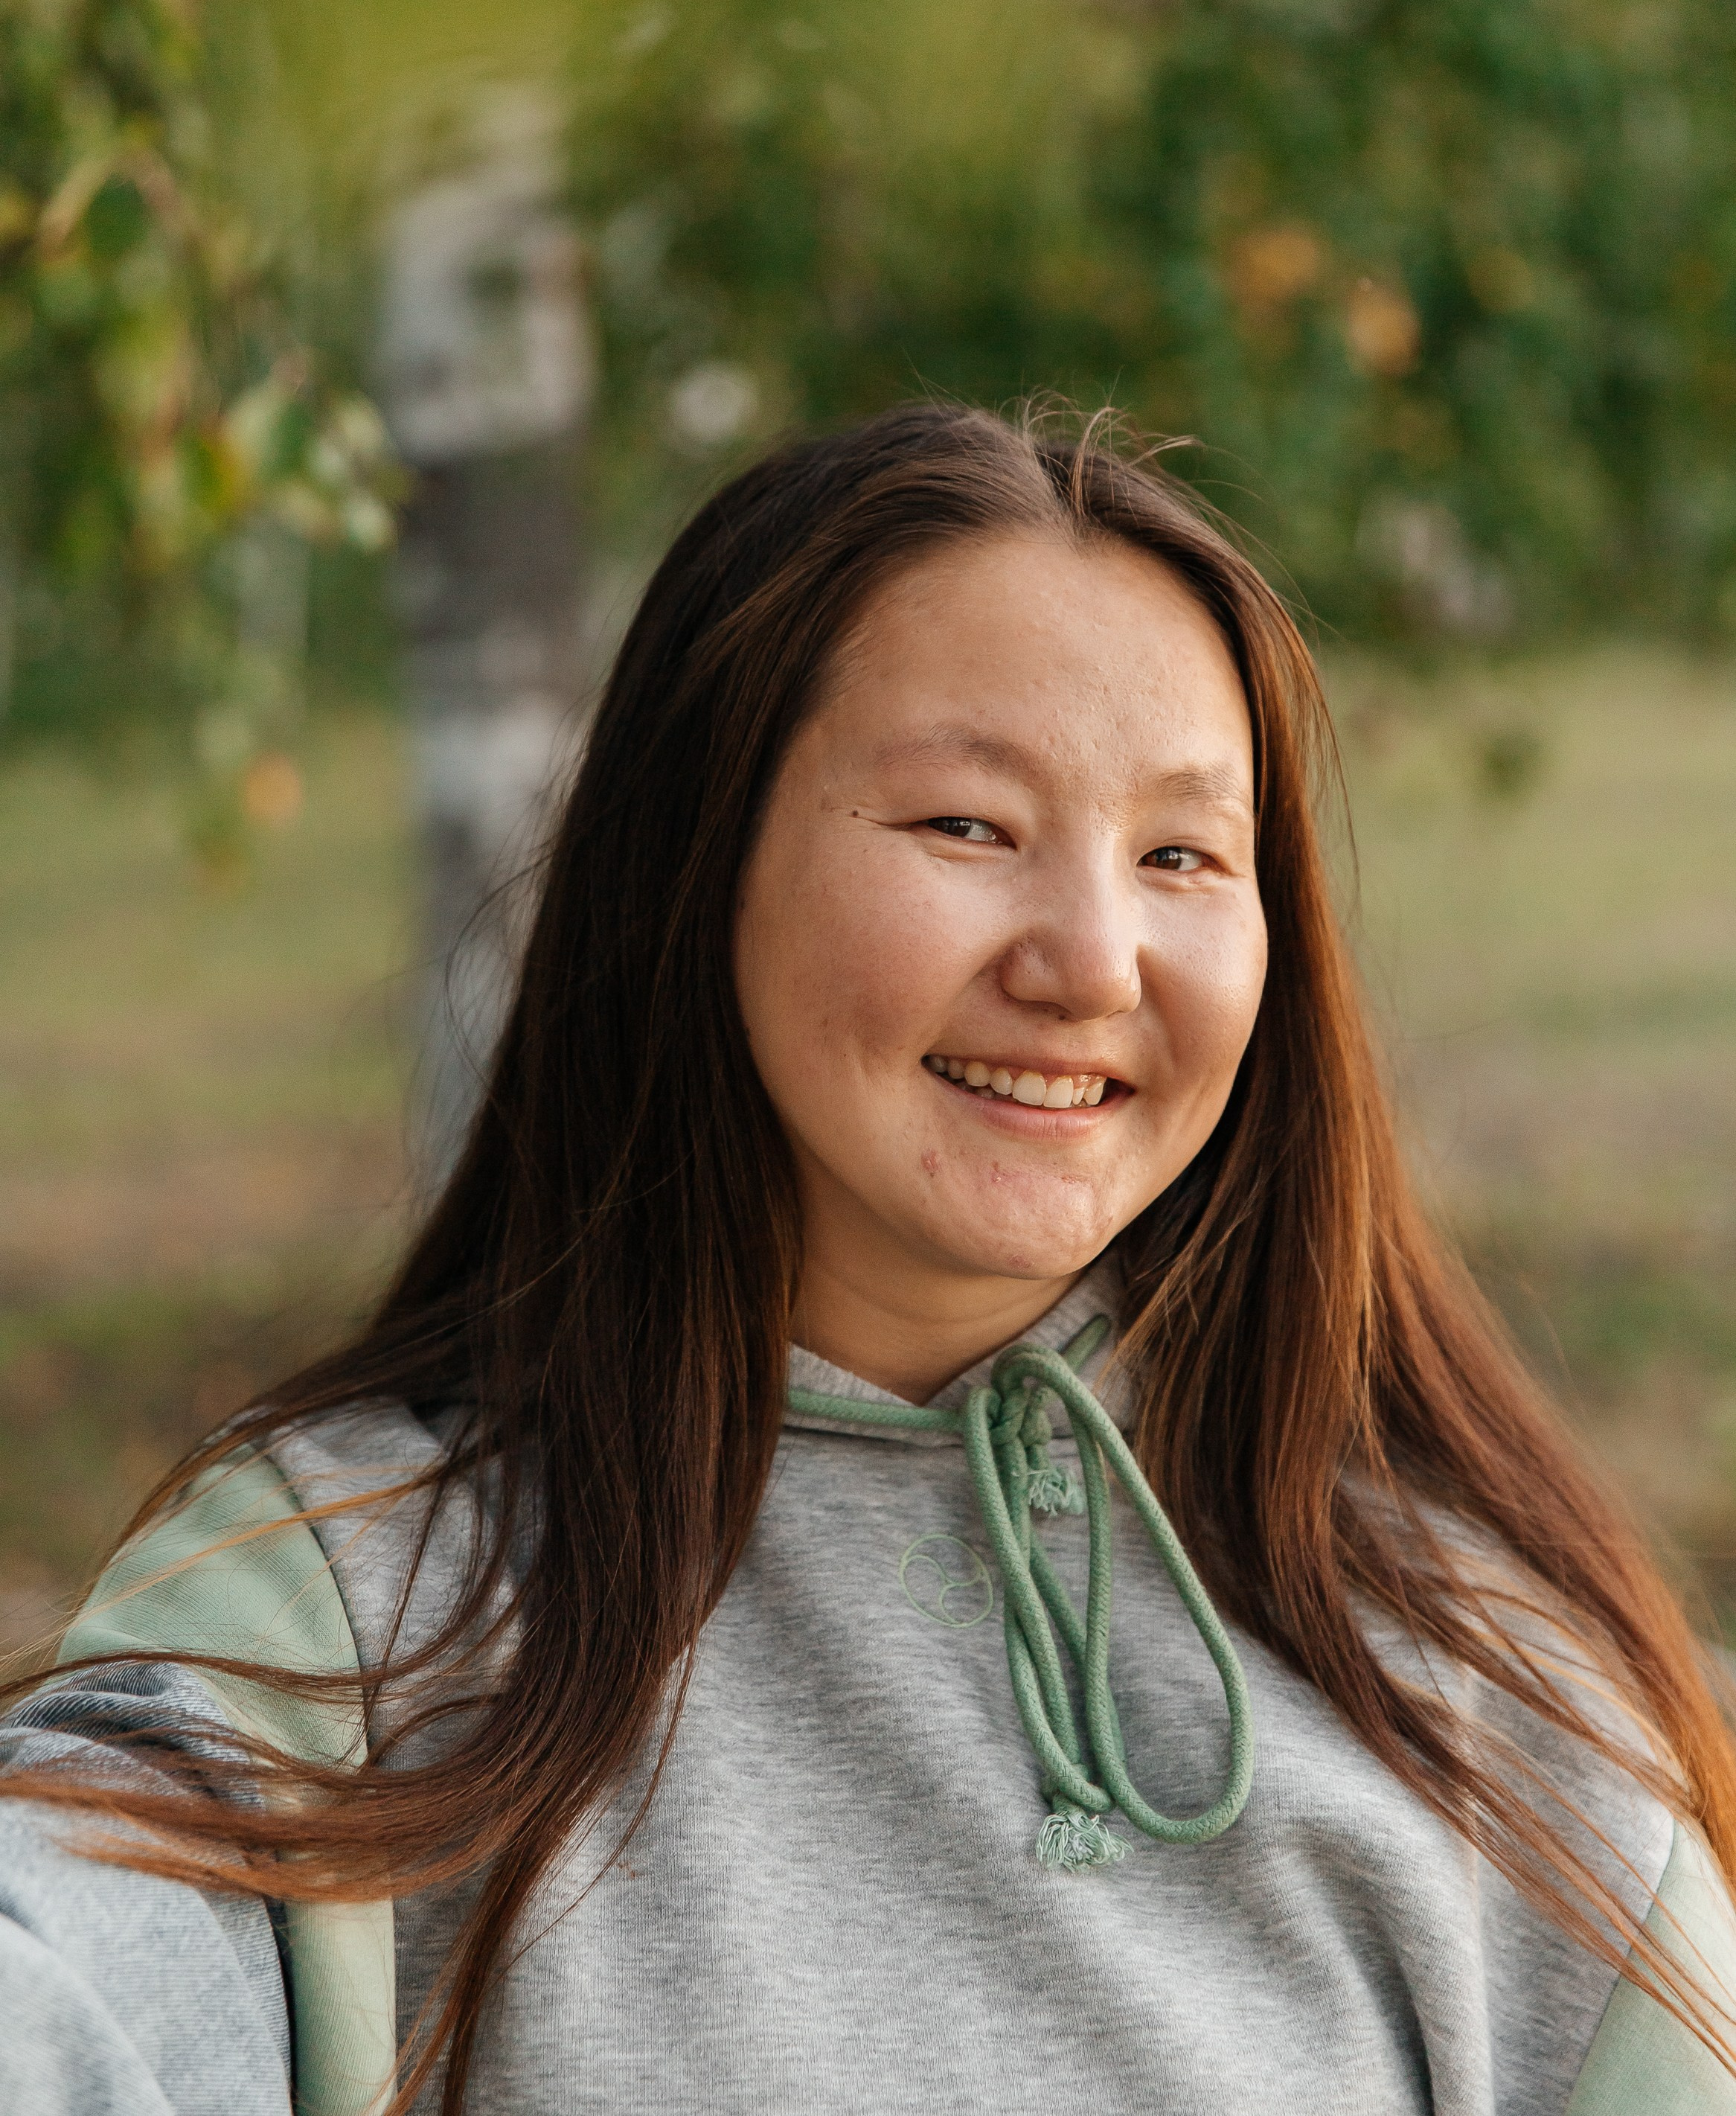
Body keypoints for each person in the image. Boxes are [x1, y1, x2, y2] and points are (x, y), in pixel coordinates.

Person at [1, 402, 1734, 2116]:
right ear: (697, 860)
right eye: (967, 825)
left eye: (1185, 854)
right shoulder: (337, 1606)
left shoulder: (1473, 1676)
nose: (1093, 956)